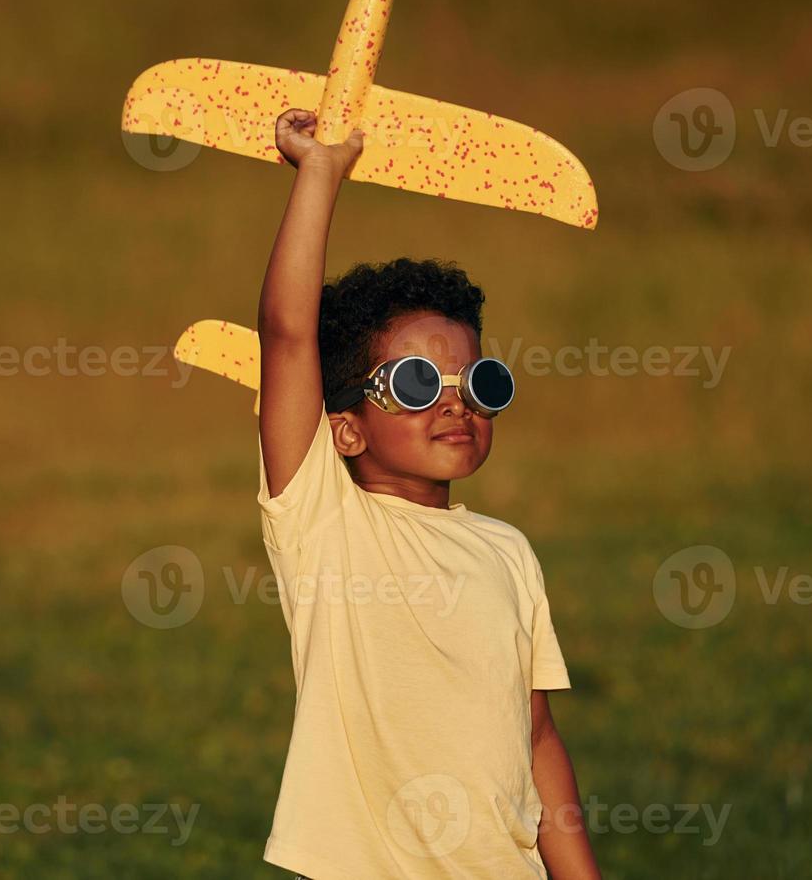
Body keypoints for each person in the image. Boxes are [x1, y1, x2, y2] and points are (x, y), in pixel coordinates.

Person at [256, 108, 601, 879]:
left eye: (480, 382)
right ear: (344, 429)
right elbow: (286, 334)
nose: (456, 404)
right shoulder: (324, 523)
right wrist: (319, 172)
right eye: (415, 383)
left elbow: (538, 738)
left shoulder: (508, 553)